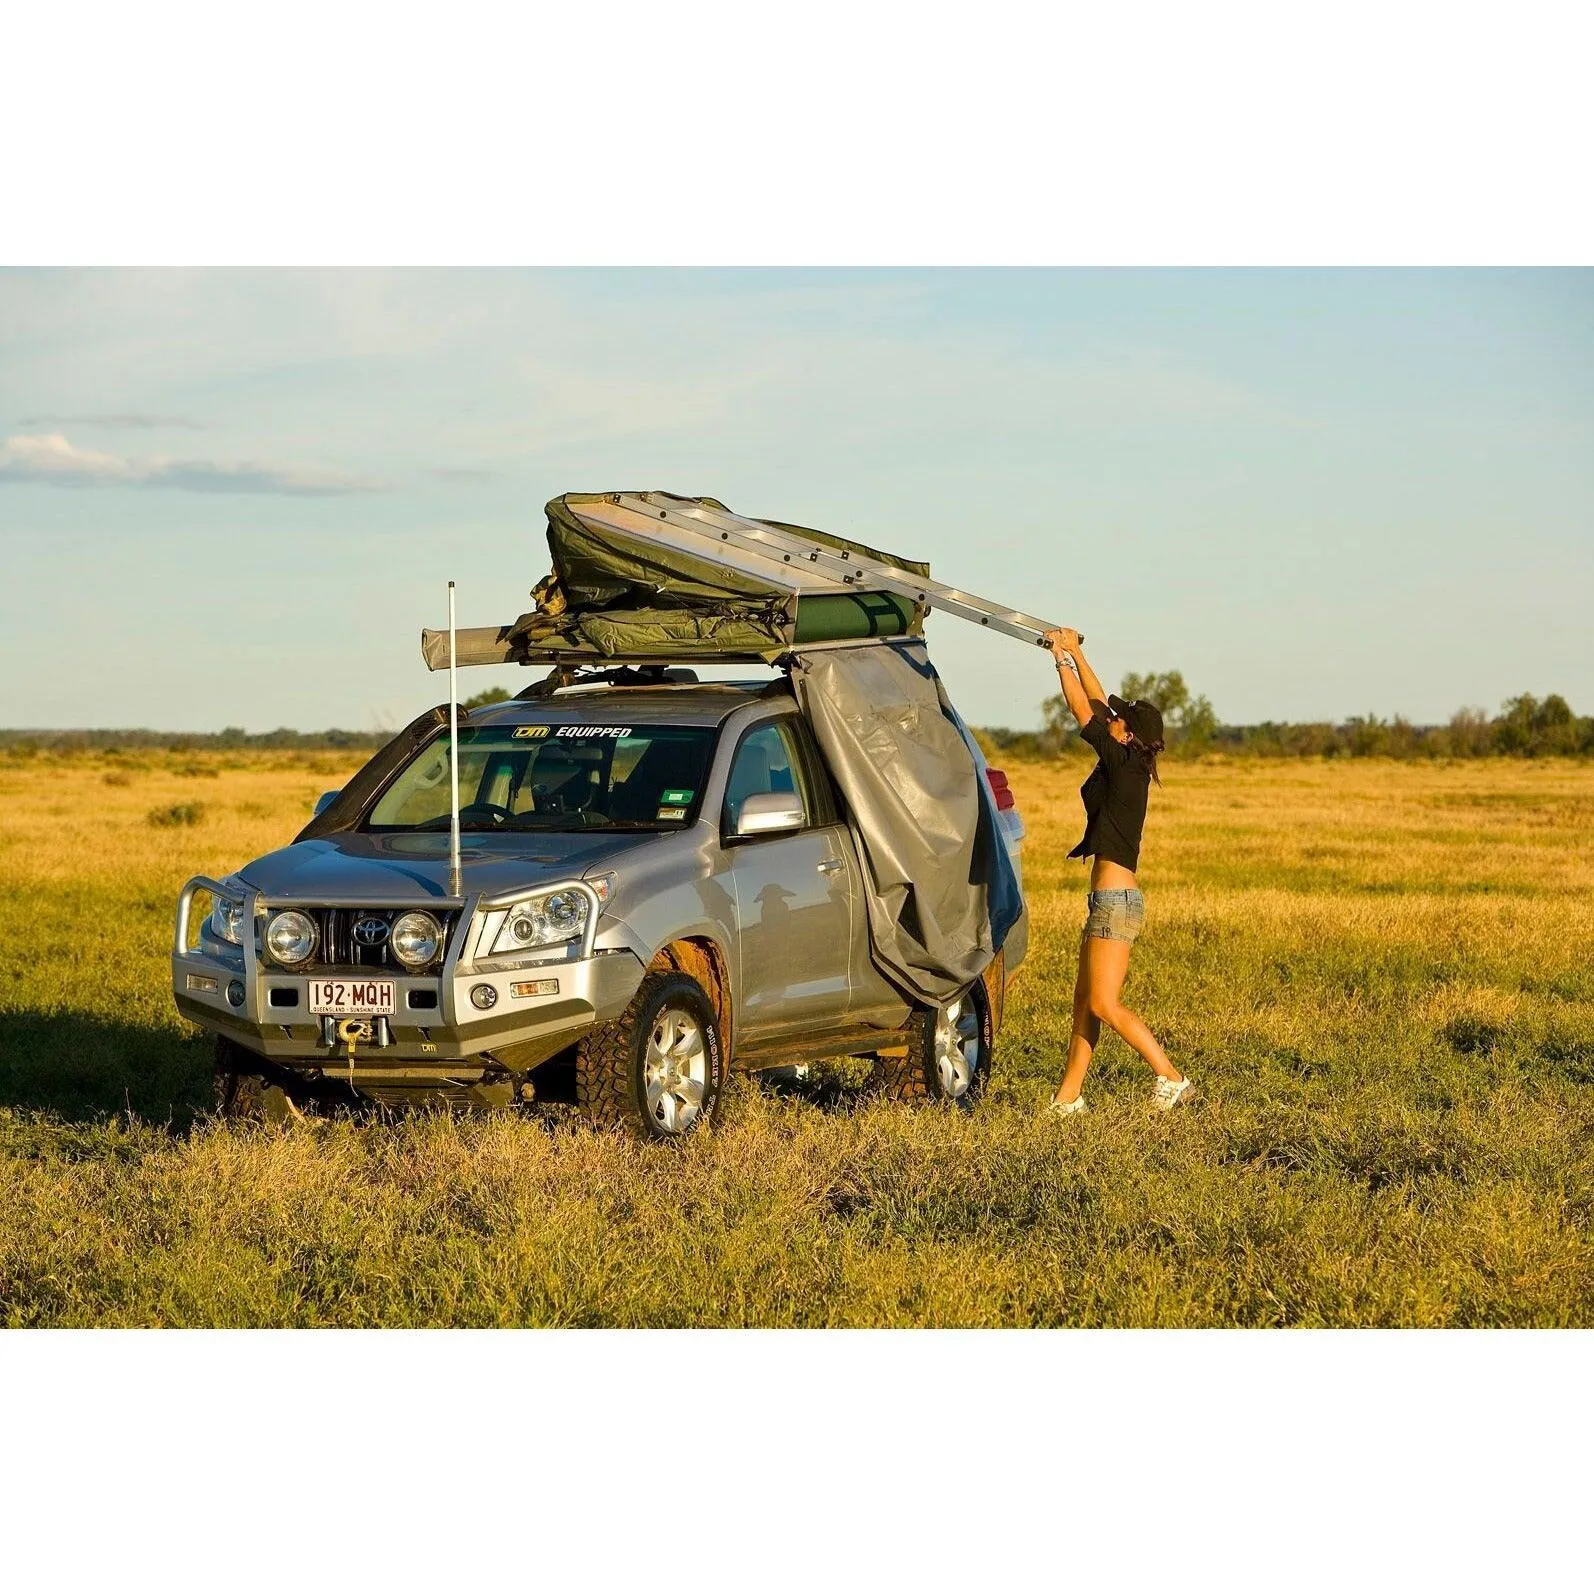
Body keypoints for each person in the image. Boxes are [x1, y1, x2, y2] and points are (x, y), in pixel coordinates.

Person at [1042, 628, 1192, 1115]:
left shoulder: (1124, 764)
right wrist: (1077, 650)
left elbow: (1082, 711)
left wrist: (1060, 659)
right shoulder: (1127, 756)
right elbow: (1100, 705)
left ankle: (1170, 1076)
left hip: (1115, 904)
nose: (1111, 717)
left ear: (1127, 733)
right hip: (1108, 902)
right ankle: (1068, 1098)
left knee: (1104, 1004)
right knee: (1084, 1001)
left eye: (1119, 718)